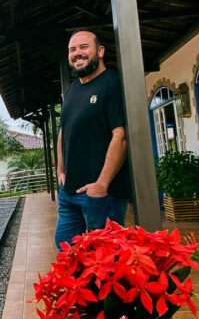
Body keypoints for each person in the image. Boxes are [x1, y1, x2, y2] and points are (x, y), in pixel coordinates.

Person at [54, 30, 130, 250]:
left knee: (105, 259)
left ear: (100, 51)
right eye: (72, 50)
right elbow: (63, 132)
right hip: (69, 193)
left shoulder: (112, 83)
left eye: (83, 47)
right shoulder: (72, 90)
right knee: (66, 253)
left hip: (102, 194)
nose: (77, 53)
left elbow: (121, 136)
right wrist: (60, 170)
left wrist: (102, 184)